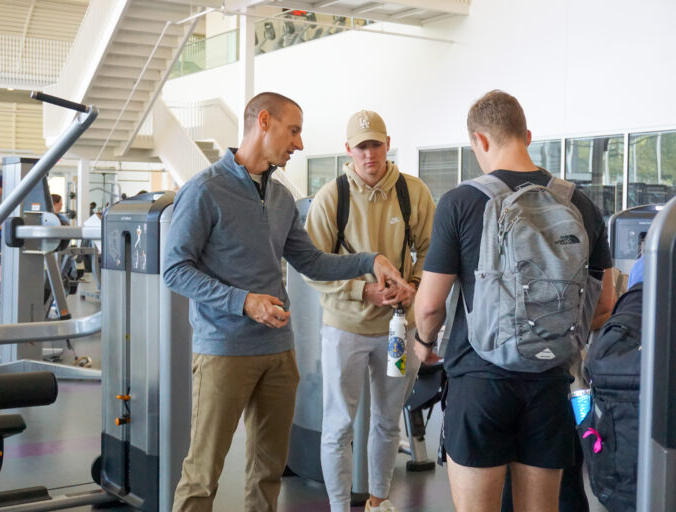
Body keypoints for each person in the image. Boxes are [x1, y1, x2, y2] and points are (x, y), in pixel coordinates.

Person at [162, 92, 407, 512]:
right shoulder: (204, 191)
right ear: (263, 121)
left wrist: (371, 260)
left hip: (279, 352)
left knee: (269, 470)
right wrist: (244, 303)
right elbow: (174, 269)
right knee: (203, 474)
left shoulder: (278, 198)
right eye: (293, 131)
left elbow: (310, 260)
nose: (299, 144)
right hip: (224, 350)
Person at [413, 90, 614, 512]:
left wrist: (421, 343)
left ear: (480, 141)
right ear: (527, 134)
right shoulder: (581, 204)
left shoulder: (460, 202)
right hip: (551, 384)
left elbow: (430, 305)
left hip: (479, 384)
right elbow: (604, 303)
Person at [304, 110, 435, 512]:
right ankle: (340, 507)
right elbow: (311, 265)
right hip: (345, 330)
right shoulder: (331, 197)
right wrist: (364, 291)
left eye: (376, 144)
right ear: (348, 149)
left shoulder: (413, 193)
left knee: (386, 421)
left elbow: (432, 253)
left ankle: (379, 501)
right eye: (361, 146)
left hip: (397, 332)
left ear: (387, 143)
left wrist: (413, 289)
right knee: (339, 425)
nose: (369, 153)